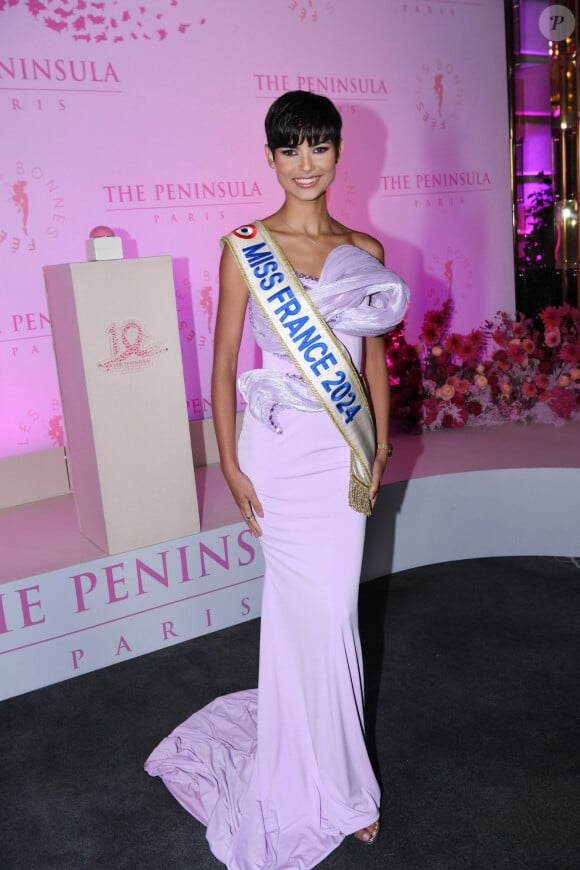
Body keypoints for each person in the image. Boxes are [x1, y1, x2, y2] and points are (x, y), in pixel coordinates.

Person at [145, 90, 410, 869]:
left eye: (319, 147)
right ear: (269, 156)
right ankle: (332, 784)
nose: (305, 164)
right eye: (289, 149)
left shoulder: (366, 247)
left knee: (330, 617)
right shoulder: (244, 246)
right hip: (277, 453)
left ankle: (334, 774)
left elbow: (371, 364)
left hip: (341, 455)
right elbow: (225, 364)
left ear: (337, 154)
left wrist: (382, 442)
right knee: (312, 614)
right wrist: (228, 462)